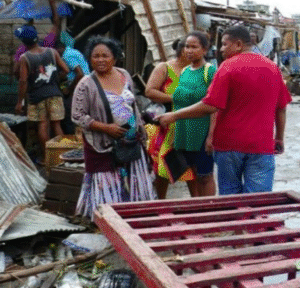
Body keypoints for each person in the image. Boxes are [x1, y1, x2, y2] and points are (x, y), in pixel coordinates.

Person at [159, 25, 291, 194]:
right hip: (261, 145)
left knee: (230, 198)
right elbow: (281, 108)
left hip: (229, 146)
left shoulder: (227, 67)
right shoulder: (272, 68)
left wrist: (174, 115)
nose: (220, 49)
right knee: (258, 200)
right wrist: (279, 138)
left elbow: (210, 104)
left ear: (238, 44)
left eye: (224, 44)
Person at [71, 36, 155, 219]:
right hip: (101, 143)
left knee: (135, 178)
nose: (100, 60)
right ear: (89, 59)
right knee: (106, 183)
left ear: (114, 58)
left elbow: (133, 105)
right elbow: (77, 115)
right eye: (95, 56)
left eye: (105, 56)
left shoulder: (124, 75)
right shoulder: (86, 84)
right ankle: (108, 221)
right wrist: (105, 128)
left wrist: (139, 129)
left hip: (130, 140)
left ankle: (136, 216)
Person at [144, 38, 193, 199]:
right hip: (167, 125)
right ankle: (160, 205)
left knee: (193, 170)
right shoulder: (164, 68)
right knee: (163, 167)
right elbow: (149, 91)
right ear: (180, 51)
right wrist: (175, 98)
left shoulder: (199, 70)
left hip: (193, 125)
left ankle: (199, 209)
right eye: (189, 49)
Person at [14, 24, 69, 162]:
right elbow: (66, 70)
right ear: (36, 38)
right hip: (55, 94)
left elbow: (23, 81)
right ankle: (62, 158)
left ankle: (47, 159)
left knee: (42, 125)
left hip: (37, 97)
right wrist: (55, 80)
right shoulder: (52, 52)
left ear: (23, 42)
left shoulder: (25, 58)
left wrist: (20, 102)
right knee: (57, 125)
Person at [172, 31, 217, 197]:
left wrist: (211, 136)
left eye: (194, 47)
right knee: (191, 175)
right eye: (186, 47)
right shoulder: (184, 71)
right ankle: (197, 209)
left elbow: (215, 106)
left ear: (204, 50)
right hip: (184, 132)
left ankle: (209, 211)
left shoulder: (210, 71)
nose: (189, 50)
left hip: (202, 133)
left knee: (205, 176)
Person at [55, 37, 89, 134]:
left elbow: (80, 73)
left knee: (69, 116)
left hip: (80, 86)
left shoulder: (67, 56)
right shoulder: (71, 52)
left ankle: (71, 138)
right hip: (83, 84)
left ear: (59, 48)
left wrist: (69, 90)